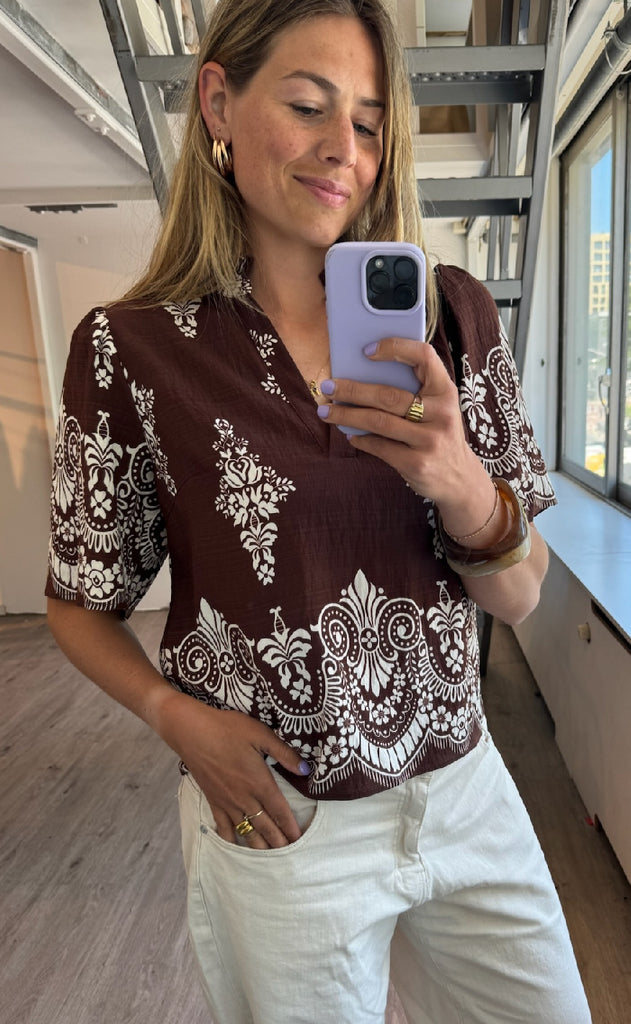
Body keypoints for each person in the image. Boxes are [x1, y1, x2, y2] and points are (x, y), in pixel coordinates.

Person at [45, 1, 592, 1021]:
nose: (345, 148)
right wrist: (176, 721)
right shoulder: (131, 350)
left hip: (463, 786)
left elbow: (519, 596)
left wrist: (463, 486)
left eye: (371, 123)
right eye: (308, 106)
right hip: (284, 817)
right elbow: (79, 600)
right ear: (219, 102)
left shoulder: (453, 316)